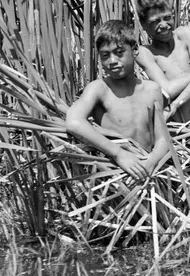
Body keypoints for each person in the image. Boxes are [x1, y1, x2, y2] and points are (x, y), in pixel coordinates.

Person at [66, 20, 169, 180]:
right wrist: (119, 154)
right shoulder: (99, 89)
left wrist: (152, 161)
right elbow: (74, 122)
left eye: (119, 52)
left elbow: (162, 138)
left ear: (134, 49)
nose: (112, 61)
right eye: (105, 55)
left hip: (146, 173)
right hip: (113, 176)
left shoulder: (152, 90)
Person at [134, 0, 190, 123]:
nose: (164, 25)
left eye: (167, 18)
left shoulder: (185, 34)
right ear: (143, 25)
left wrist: (176, 104)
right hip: (177, 132)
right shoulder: (144, 52)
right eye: (155, 22)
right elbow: (168, 90)